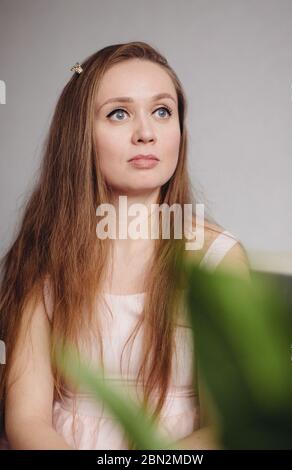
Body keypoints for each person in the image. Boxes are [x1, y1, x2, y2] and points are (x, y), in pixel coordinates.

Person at [0, 41, 250, 450]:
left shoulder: (216, 260)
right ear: (80, 135)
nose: (146, 133)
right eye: (119, 113)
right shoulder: (44, 257)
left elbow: (229, 425)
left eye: (162, 111)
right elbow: (26, 421)